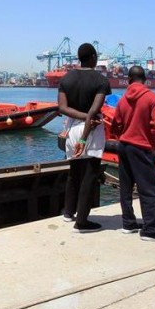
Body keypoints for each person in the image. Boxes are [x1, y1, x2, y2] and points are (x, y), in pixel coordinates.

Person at [111, 66, 155, 243]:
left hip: (124, 145)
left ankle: (128, 223)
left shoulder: (122, 101)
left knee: (126, 186)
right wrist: (153, 144)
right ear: (144, 79)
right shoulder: (152, 98)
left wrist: (122, 137)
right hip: (142, 147)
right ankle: (150, 229)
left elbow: (116, 125)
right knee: (149, 189)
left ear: (129, 79)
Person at [58, 43, 111, 233]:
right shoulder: (101, 81)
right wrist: (84, 135)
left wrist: (79, 118)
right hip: (91, 130)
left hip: (71, 127)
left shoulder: (66, 78)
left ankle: (68, 212)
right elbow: (94, 112)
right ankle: (82, 222)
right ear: (94, 57)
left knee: (74, 172)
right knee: (90, 175)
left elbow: (62, 108)